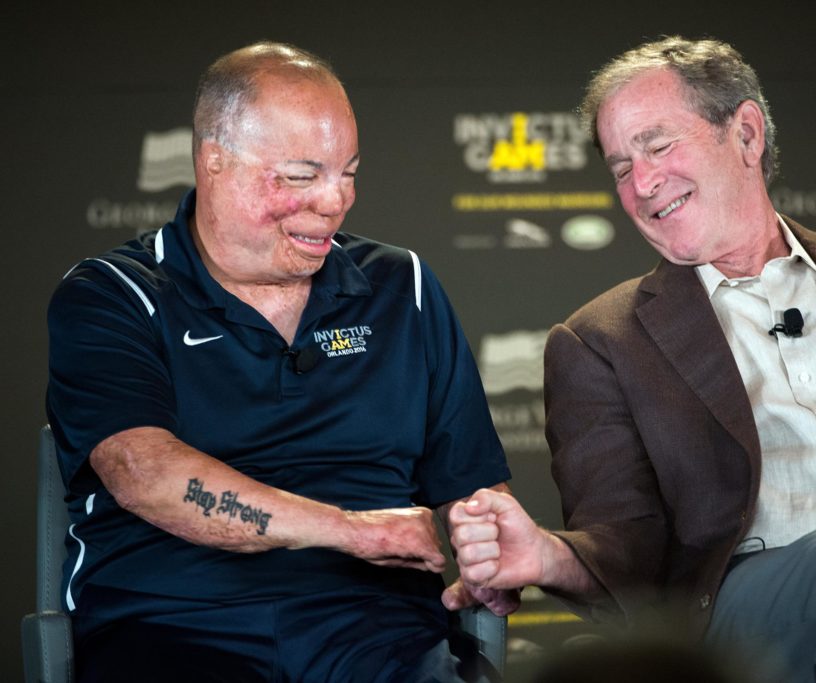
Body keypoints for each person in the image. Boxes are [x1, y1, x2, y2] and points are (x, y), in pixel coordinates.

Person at [444, 36, 816, 680]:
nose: (642, 183)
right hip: (748, 624)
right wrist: (549, 557)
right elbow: (626, 545)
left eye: (659, 146)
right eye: (619, 167)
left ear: (746, 134)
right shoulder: (600, 342)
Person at [47, 41, 517, 682]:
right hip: (171, 623)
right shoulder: (112, 292)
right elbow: (143, 471)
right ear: (215, 161)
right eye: (301, 176)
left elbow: (473, 485)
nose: (335, 201)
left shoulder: (400, 285)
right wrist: (353, 531)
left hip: (378, 630)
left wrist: (491, 546)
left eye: (348, 171)